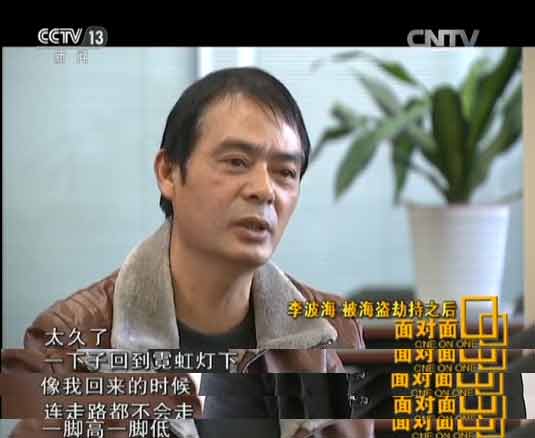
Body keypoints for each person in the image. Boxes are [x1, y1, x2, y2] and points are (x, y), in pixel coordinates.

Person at [3, 67, 373, 438]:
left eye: (285, 172)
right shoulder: (75, 339)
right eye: (236, 162)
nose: (264, 190)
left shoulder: (332, 332)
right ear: (168, 173)